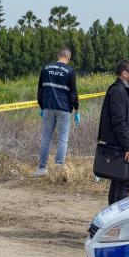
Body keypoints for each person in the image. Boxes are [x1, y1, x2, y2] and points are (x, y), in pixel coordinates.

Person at [98, 59, 129, 204]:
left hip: (121, 146)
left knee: (118, 184)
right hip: (122, 148)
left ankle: (115, 222)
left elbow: (120, 119)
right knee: (123, 186)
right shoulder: (118, 91)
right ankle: (119, 222)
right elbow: (118, 122)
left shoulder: (122, 91)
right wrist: (128, 146)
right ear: (124, 73)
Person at [34, 47, 79, 177]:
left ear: (58, 55)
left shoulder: (46, 68)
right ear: (68, 58)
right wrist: (77, 109)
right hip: (64, 109)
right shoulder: (70, 71)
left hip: (48, 107)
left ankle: (42, 168)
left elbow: (40, 89)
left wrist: (42, 106)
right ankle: (59, 168)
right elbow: (73, 93)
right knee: (62, 139)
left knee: (46, 138)